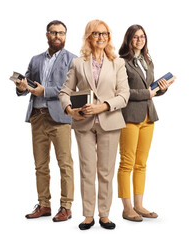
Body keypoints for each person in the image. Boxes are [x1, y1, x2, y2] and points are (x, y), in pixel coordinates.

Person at [59, 19, 129, 230]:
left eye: (105, 34)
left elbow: (124, 95)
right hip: (84, 124)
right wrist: (69, 110)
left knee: (106, 171)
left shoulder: (118, 63)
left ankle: (104, 215)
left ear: (109, 37)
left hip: (110, 122)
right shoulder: (78, 63)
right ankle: (88, 215)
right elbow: (65, 92)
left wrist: (104, 106)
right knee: (87, 170)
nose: (101, 37)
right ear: (89, 37)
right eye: (96, 34)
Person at [13, 20, 77, 222]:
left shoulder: (73, 60)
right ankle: (44, 204)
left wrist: (45, 91)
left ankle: (66, 207)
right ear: (47, 35)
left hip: (60, 118)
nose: (58, 36)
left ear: (65, 36)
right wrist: (22, 88)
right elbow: (26, 86)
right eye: (54, 33)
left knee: (64, 164)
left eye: (62, 33)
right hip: (37, 116)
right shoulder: (36, 59)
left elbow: (73, 91)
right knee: (40, 165)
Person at [117, 24, 174, 222]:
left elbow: (150, 88)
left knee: (141, 164)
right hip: (130, 117)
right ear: (129, 39)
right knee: (127, 163)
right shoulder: (121, 62)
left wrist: (162, 88)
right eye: (135, 37)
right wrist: (147, 93)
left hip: (148, 117)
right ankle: (127, 208)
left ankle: (139, 205)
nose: (139, 40)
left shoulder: (147, 60)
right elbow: (121, 92)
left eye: (142, 37)